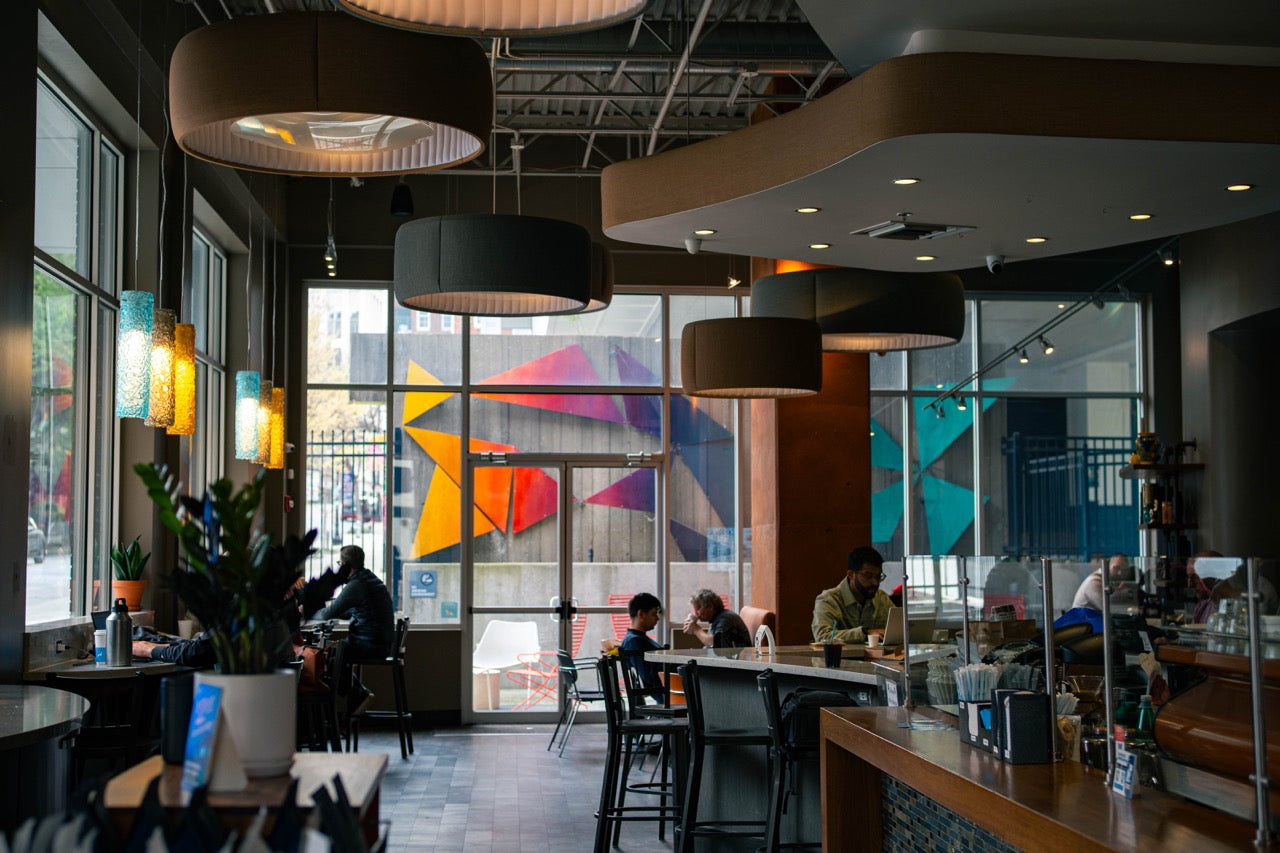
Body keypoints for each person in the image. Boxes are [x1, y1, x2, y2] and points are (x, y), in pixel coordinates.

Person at [305, 545, 395, 715]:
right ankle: (357, 695)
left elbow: (329, 613)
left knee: (329, 654)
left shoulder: (357, 584)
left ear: (345, 565)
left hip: (371, 644)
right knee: (334, 652)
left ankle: (357, 695)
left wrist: (306, 613)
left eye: (339, 563)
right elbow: (348, 611)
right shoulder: (368, 579)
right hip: (380, 642)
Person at [811, 546, 893, 644]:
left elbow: (898, 630)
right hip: (841, 654)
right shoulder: (828, 599)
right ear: (851, 574)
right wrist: (865, 633)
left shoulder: (882, 598)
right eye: (868, 576)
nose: (875, 582)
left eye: (878, 576)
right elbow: (823, 636)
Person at [619, 592, 664, 695]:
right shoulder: (634, 641)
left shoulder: (637, 639)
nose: (657, 618)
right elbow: (650, 678)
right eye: (654, 614)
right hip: (667, 694)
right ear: (641, 614)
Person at [681, 589, 751, 648]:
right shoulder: (716, 619)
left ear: (710, 607)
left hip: (735, 659)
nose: (696, 613)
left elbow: (715, 642)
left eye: (698, 608)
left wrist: (696, 629)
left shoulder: (726, 619)